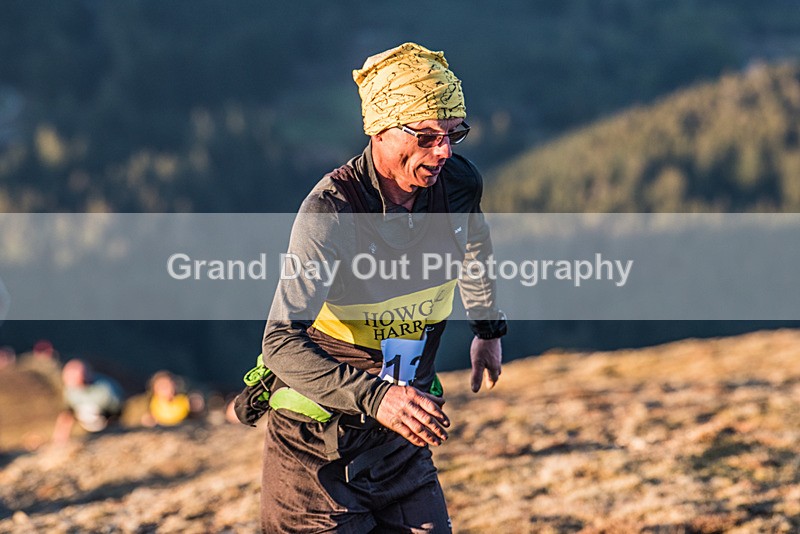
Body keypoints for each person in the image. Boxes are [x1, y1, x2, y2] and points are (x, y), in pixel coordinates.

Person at [257, 42, 507, 533]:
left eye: (454, 134)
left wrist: (487, 327)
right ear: (380, 130)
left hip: (399, 442)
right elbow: (279, 342)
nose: (444, 151)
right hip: (315, 450)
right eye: (428, 135)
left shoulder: (457, 184)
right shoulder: (331, 212)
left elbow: (473, 242)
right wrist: (377, 398)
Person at [52, 358, 125, 443]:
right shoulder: (70, 391)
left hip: (107, 428)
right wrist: (59, 439)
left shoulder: (106, 391)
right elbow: (67, 414)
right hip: (85, 428)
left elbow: (117, 415)